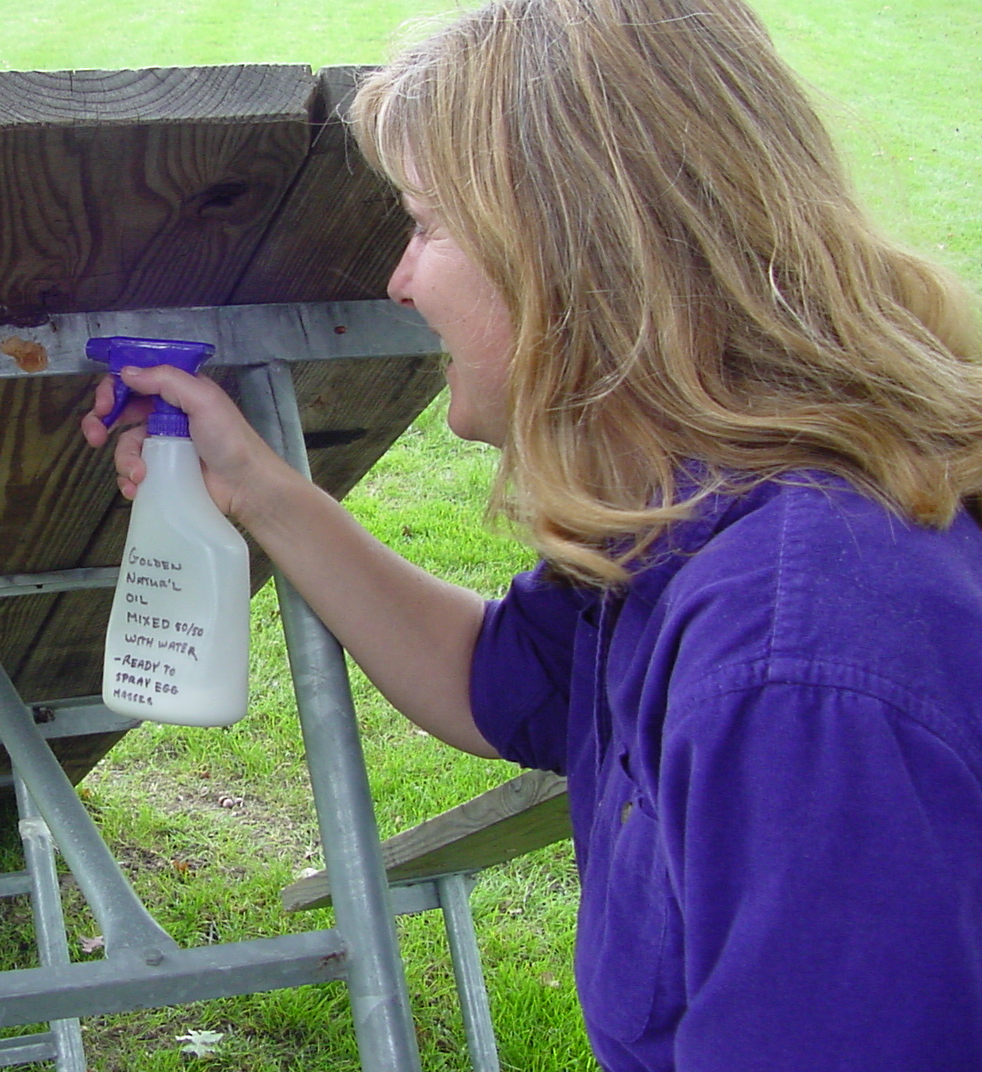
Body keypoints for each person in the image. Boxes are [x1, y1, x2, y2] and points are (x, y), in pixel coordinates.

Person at [83, 0, 982, 1068]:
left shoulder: (799, 657)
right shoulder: (702, 508)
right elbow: (494, 677)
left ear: (579, 246)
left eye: (426, 225)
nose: (399, 279)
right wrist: (256, 487)